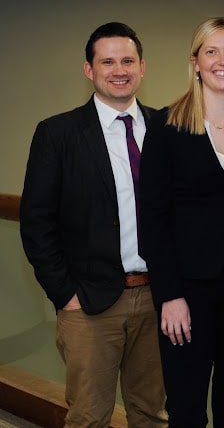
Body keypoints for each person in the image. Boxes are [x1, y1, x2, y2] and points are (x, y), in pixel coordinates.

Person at [19, 22, 167, 427]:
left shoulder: (165, 127)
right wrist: (65, 294)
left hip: (159, 299)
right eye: (107, 62)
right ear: (89, 70)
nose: (119, 70)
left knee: (152, 415)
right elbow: (36, 222)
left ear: (142, 68)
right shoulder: (58, 133)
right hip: (89, 304)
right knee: (89, 418)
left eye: (127, 61)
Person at [139, 17, 224, 427]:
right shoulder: (166, 125)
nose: (222, 61)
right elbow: (152, 218)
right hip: (187, 289)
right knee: (187, 408)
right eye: (211, 51)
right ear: (195, 62)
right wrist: (170, 295)